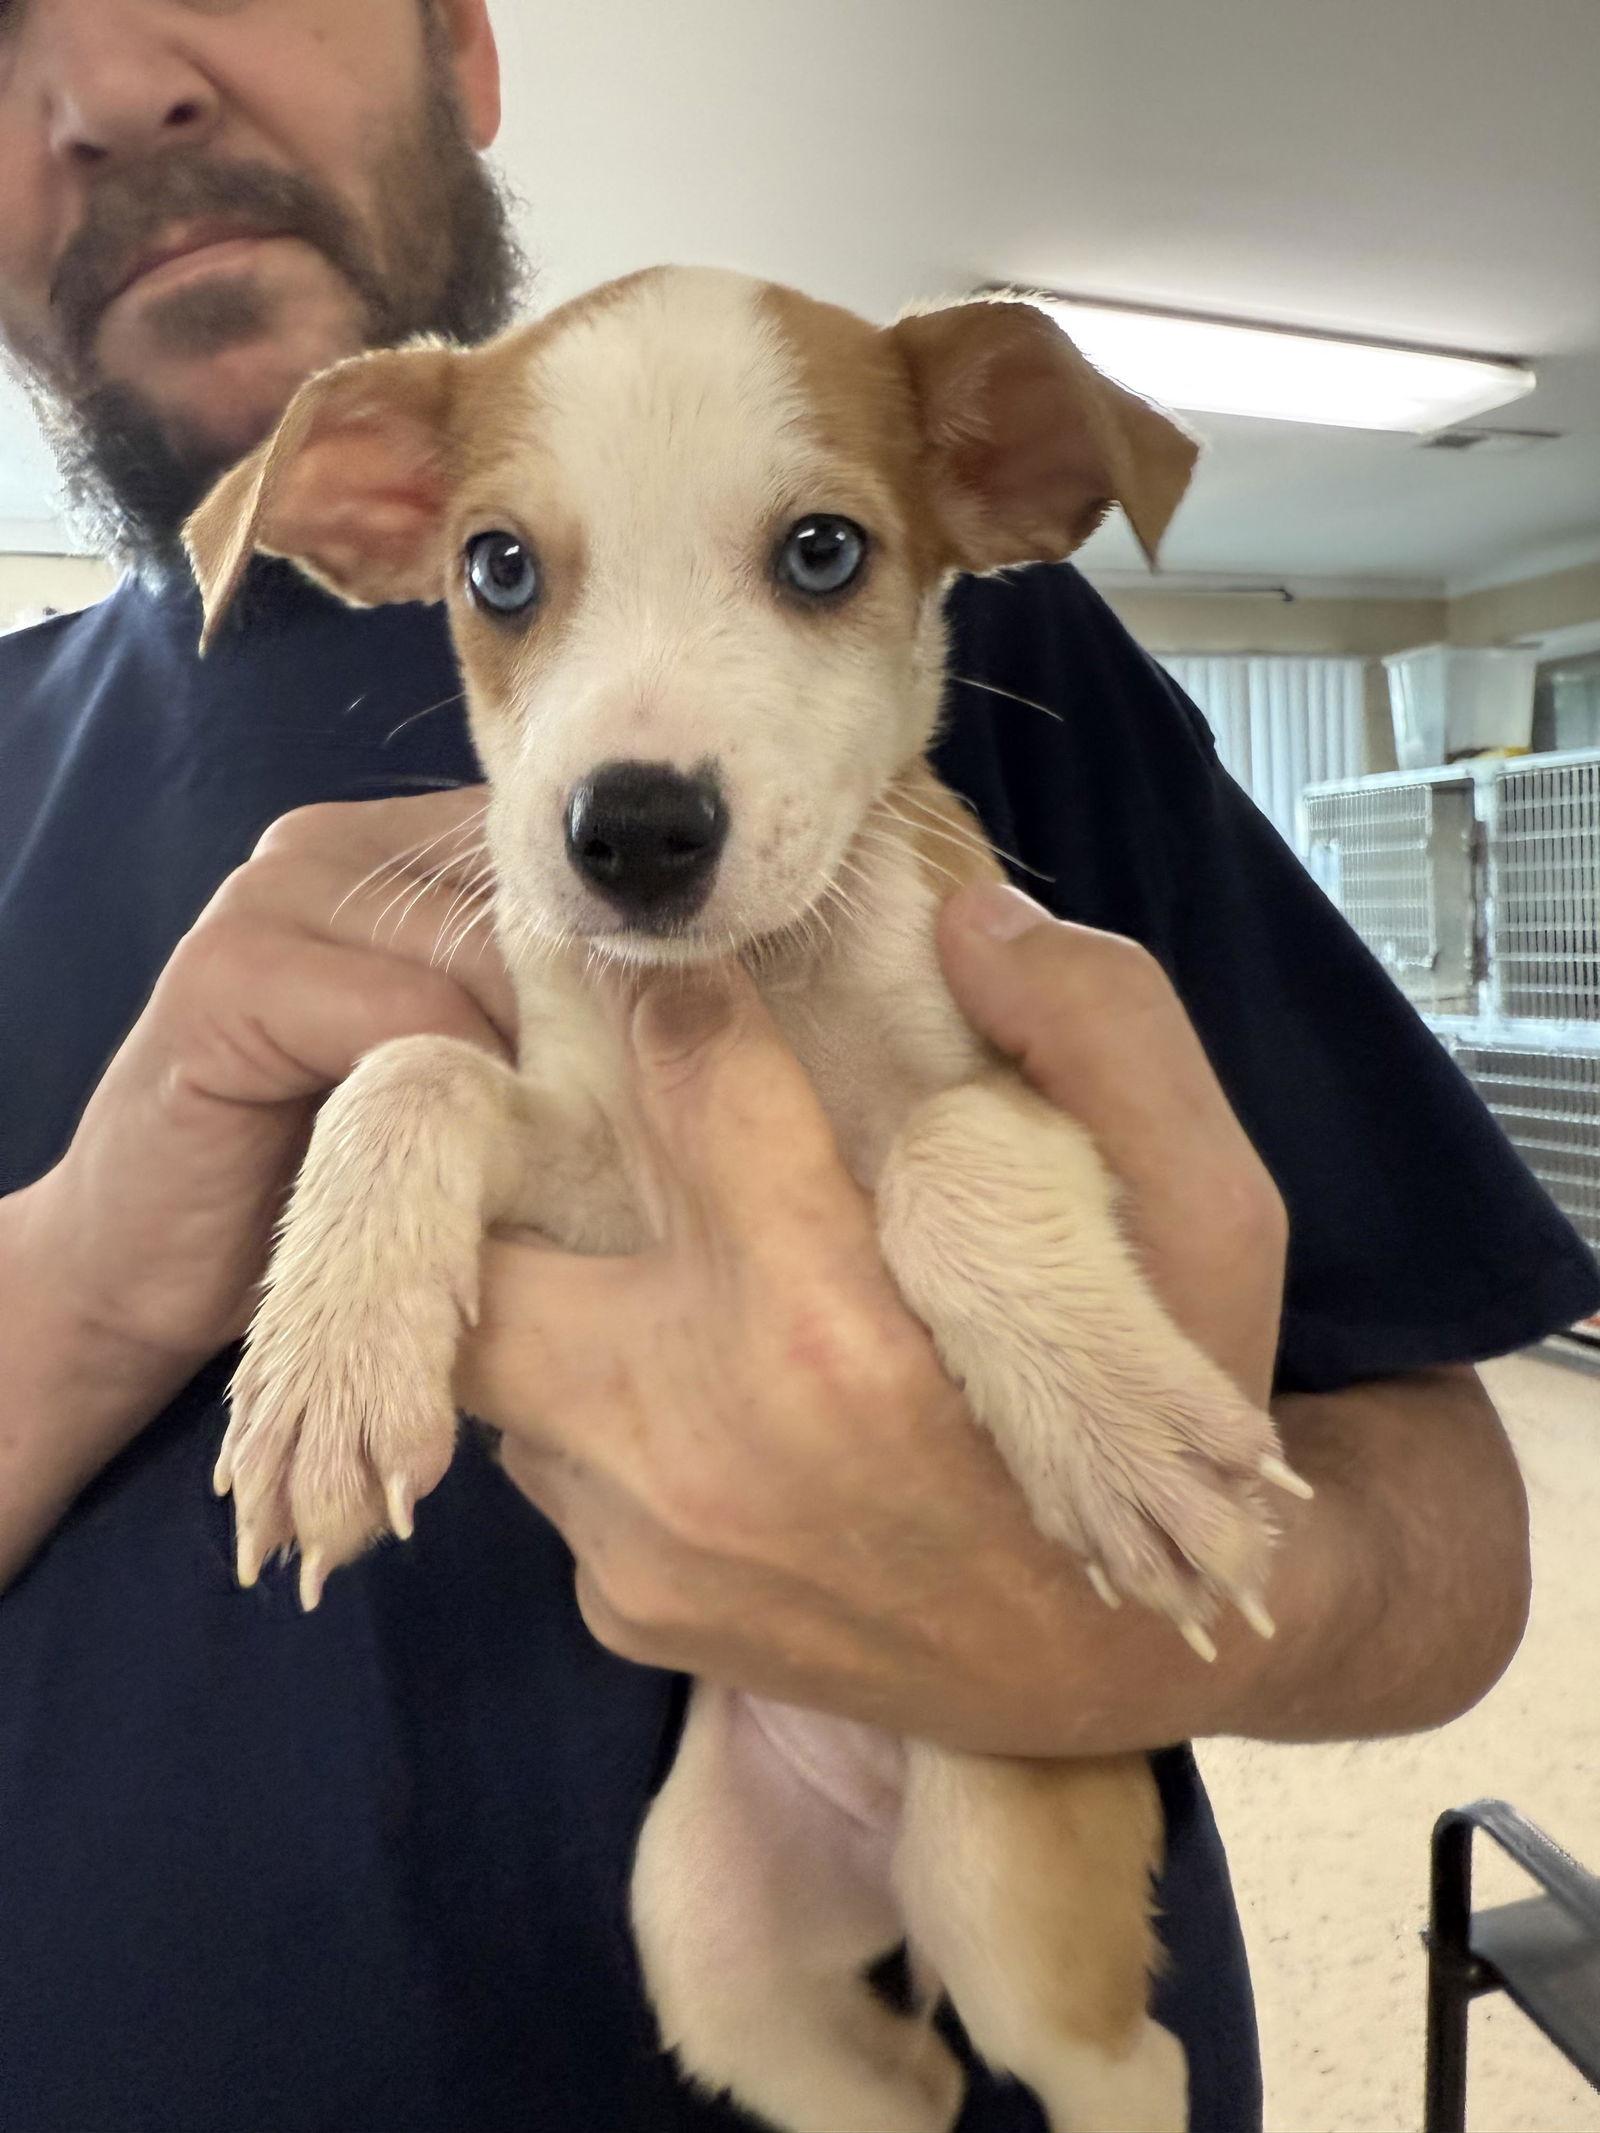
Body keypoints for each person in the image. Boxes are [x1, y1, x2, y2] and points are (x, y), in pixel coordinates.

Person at [0, 5, 1594, 2130]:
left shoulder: (1020, 710)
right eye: (510, 574)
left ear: (463, 49)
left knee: (1035, 2013)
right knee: (731, 1969)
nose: (107, 82)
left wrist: (1112, 1617)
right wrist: (101, 1272)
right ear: (375, 508)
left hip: (981, 1840)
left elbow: (1458, 1531)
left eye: (814, 552)